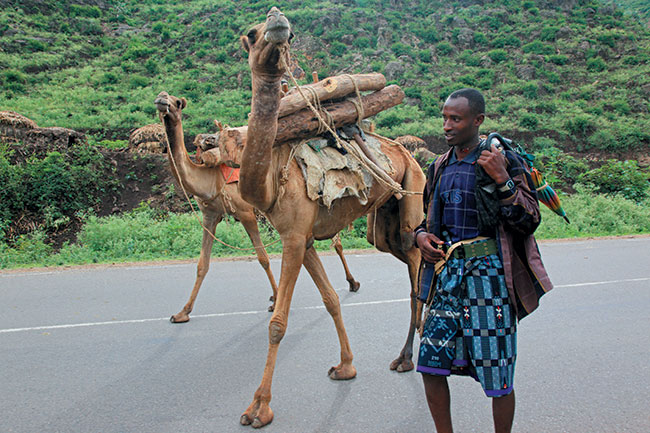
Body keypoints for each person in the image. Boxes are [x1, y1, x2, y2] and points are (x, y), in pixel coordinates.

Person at [414, 88, 553, 433]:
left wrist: (502, 179)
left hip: (490, 280)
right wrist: (421, 238)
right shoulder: (438, 167)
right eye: (445, 117)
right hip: (448, 277)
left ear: (477, 121)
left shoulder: (500, 159)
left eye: (455, 119)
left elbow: (529, 219)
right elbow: (425, 220)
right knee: (430, 364)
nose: (447, 125)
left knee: (498, 372)